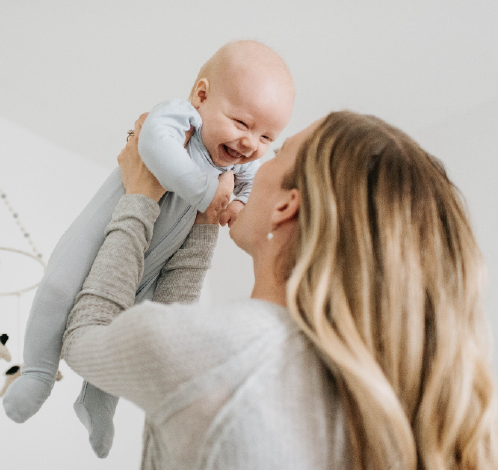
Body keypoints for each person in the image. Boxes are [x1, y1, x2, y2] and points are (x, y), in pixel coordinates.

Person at [62, 110, 498, 469]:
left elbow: (85, 337)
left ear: (287, 205)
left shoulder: (224, 352)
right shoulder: (385, 398)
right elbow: (178, 342)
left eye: (279, 150)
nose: (256, 156)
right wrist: (200, 220)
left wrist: (138, 197)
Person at [3, 40, 295, 458]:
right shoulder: (179, 118)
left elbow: (243, 189)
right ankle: (37, 372)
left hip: (152, 261)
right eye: (242, 123)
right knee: (57, 289)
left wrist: (235, 204)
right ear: (202, 95)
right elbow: (152, 145)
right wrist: (206, 192)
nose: (250, 143)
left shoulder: (236, 166)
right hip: (102, 234)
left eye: (267, 136)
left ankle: (99, 403)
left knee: (128, 326)